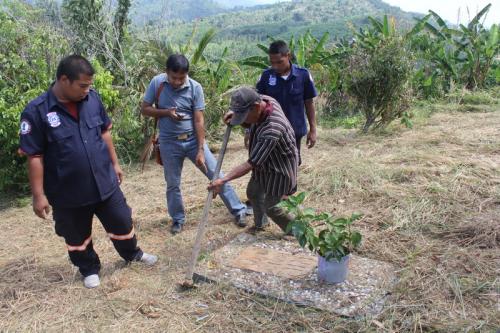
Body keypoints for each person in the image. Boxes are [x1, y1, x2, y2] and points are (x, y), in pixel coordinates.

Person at [18, 55, 157, 289]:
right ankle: (89, 268)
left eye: (89, 85)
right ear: (64, 80)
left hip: (104, 180)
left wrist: (115, 164)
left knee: (122, 220)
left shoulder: (92, 99)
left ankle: (132, 254)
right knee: (76, 234)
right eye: (83, 85)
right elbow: (35, 156)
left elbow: (104, 133)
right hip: (67, 191)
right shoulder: (36, 112)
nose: (87, 90)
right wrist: (38, 194)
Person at [141, 54, 247, 235]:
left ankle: (239, 211)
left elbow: (199, 121)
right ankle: (178, 220)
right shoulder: (157, 83)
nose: (177, 82)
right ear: (166, 72)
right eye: (174, 78)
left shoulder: (195, 87)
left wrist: (199, 150)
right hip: (168, 143)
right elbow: (145, 109)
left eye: (181, 78)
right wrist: (166, 112)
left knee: (216, 175)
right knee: (172, 184)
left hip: (192, 141)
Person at [208, 87, 298, 232]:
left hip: (280, 167)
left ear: (256, 107)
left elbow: (251, 163)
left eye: (244, 116)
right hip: (264, 162)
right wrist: (235, 114)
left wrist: (223, 180)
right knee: (254, 192)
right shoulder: (264, 99)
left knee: (272, 207)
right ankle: (261, 224)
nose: (243, 121)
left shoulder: (273, 128)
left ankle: (297, 232)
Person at [255, 40, 318, 164]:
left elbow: (309, 103)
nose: (276, 66)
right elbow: (256, 105)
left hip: (295, 131)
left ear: (288, 56)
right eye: (272, 63)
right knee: (271, 166)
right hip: (270, 131)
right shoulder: (266, 77)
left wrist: (313, 130)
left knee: (292, 164)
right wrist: (249, 131)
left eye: (279, 62)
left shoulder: (303, 75)